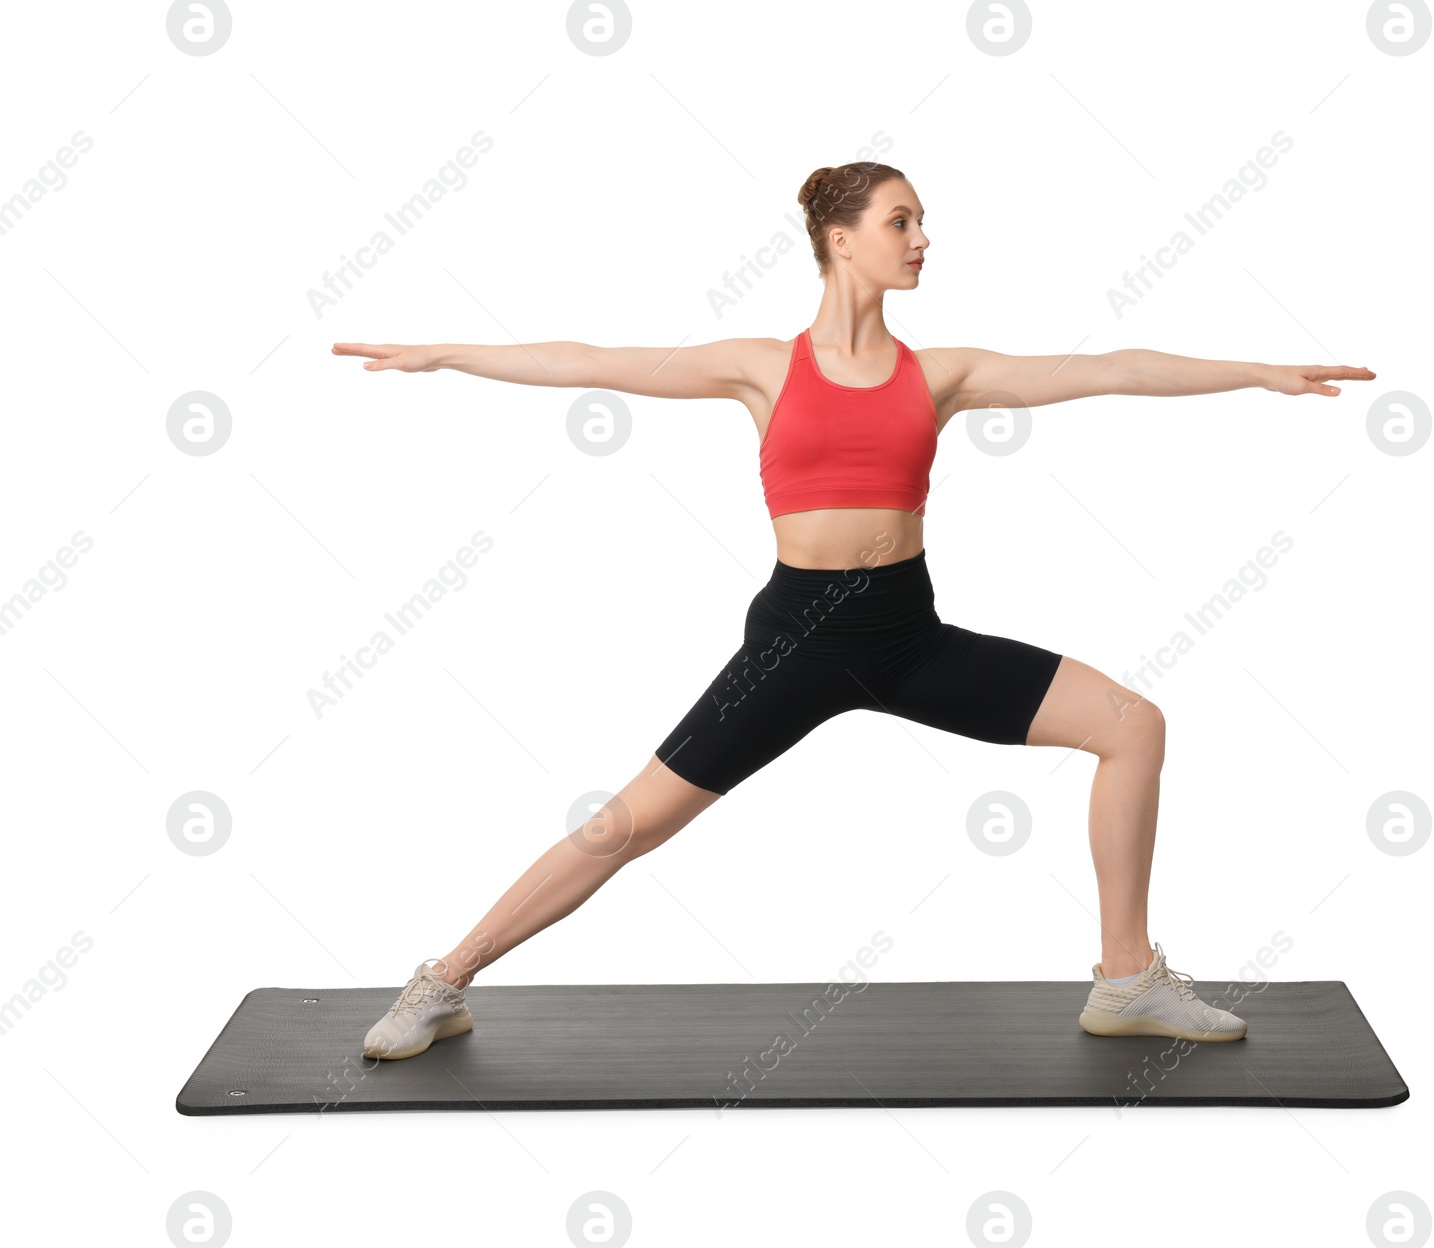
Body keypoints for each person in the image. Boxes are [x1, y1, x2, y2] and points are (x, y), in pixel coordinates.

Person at [337, 161, 1375, 1062]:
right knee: (622, 828)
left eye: (922, 222)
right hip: (794, 643)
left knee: (1131, 727)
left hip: (907, 638)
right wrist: (443, 353)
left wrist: (1254, 374)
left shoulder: (940, 374)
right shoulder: (760, 366)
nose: (923, 240)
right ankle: (443, 981)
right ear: (840, 241)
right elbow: (586, 359)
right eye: (902, 222)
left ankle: (1124, 980)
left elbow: (1108, 371)